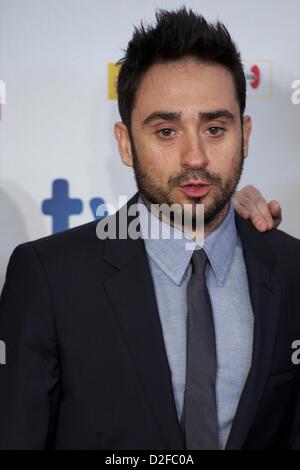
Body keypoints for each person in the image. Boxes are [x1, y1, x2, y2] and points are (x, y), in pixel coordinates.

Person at [0, 8, 298, 450]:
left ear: (245, 135)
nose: (194, 157)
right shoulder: (49, 278)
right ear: (125, 143)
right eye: (166, 131)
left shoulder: (292, 269)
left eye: (215, 128)